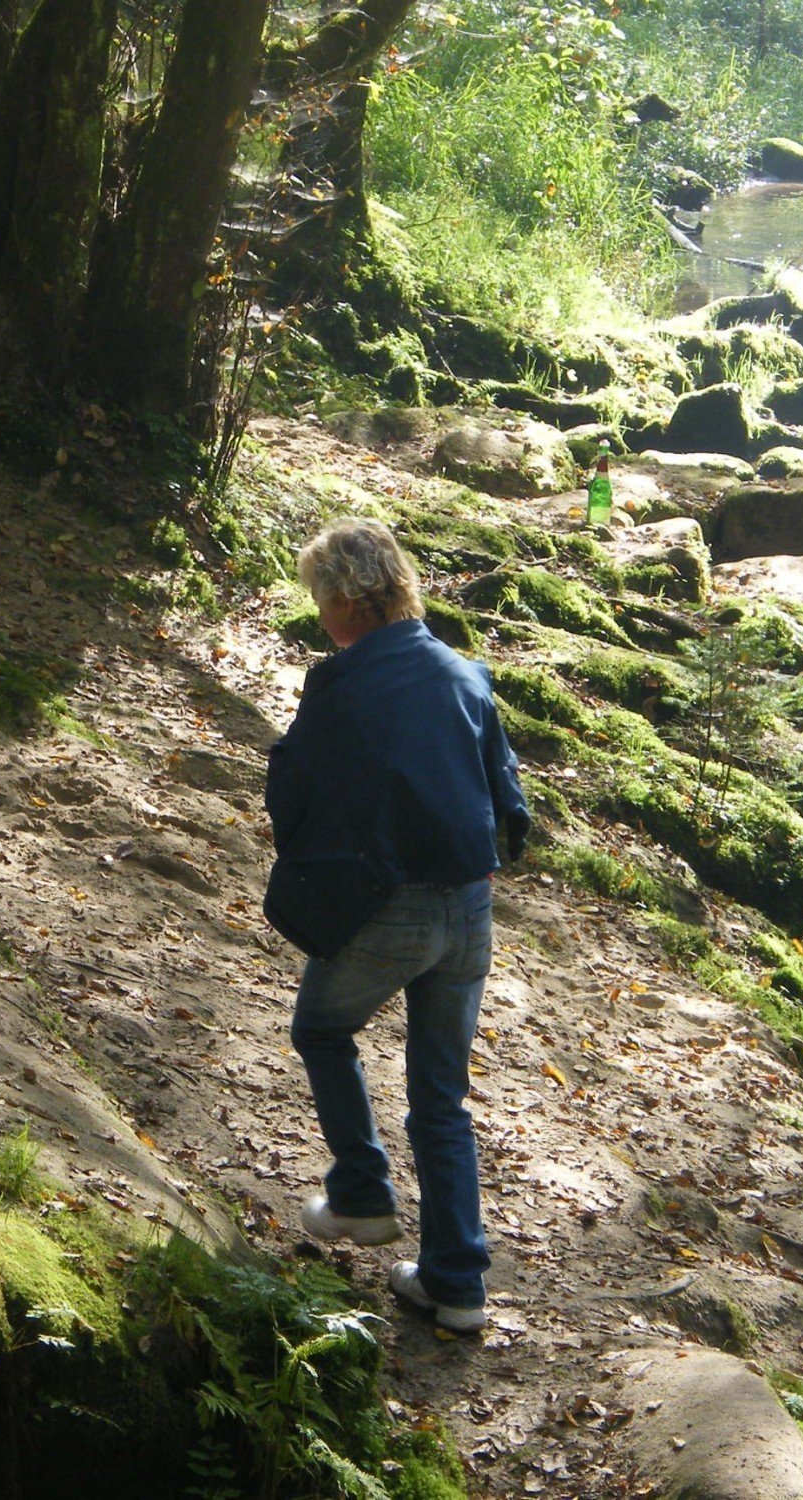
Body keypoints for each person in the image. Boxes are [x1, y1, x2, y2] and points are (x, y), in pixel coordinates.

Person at [264, 517, 530, 1334]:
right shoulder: (466, 674)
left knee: (321, 1026)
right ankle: (457, 1285)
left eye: (319, 599)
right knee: (441, 1097)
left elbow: (294, 788)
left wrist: (312, 865)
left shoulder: (340, 683)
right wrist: (487, 859)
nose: (319, 617)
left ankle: (363, 1195)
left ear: (348, 601)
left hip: (391, 904)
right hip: (471, 907)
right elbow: (509, 802)